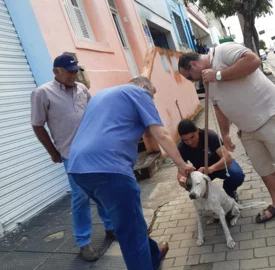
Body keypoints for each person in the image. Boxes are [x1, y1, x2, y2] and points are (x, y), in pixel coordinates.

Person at [177, 42, 275, 229]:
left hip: (269, 116)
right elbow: (219, 108)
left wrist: (218, 75)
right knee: (262, 166)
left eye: (189, 77)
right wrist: (225, 133)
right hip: (247, 129)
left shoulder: (222, 52)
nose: (192, 81)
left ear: (193, 65)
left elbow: (253, 61)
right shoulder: (207, 82)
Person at [66, 76, 194, 270]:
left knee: (129, 221)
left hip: (78, 168)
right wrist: (181, 165)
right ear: (144, 87)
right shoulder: (139, 93)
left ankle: (153, 255)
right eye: (153, 94)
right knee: (131, 234)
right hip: (108, 169)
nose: (151, 100)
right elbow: (162, 134)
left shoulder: (102, 95)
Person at [30, 54, 114, 261]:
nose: (74, 74)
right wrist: (52, 152)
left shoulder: (82, 89)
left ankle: (111, 227)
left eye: (76, 70)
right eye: (69, 71)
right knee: (81, 197)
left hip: (94, 150)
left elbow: (94, 115)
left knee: (102, 190)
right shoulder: (42, 93)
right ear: (56, 71)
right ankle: (84, 242)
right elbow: (37, 125)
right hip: (71, 154)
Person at [177, 119, 244, 201]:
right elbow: (180, 171)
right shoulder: (181, 147)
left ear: (197, 130)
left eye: (192, 137)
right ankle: (204, 199)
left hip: (220, 165)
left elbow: (228, 158)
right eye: (185, 140)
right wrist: (182, 180)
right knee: (192, 183)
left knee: (236, 175)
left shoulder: (209, 135)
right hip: (202, 172)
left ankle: (229, 193)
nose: (190, 142)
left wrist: (211, 169)